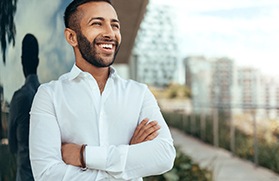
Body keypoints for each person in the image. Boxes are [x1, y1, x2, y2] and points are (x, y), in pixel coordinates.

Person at [29, 0, 176, 180]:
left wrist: (83, 155)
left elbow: (164, 155)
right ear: (71, 37)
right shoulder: (49, 96)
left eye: (115, 25)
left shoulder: (139, 93)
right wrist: (129, 158)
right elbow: (46, 174)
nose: (110, 33)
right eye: (97, 23)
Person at [8, 33, 40, 181]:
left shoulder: (19, 98)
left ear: (21, 61)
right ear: (38, 62)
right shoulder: (47, 96)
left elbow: (12, 146)